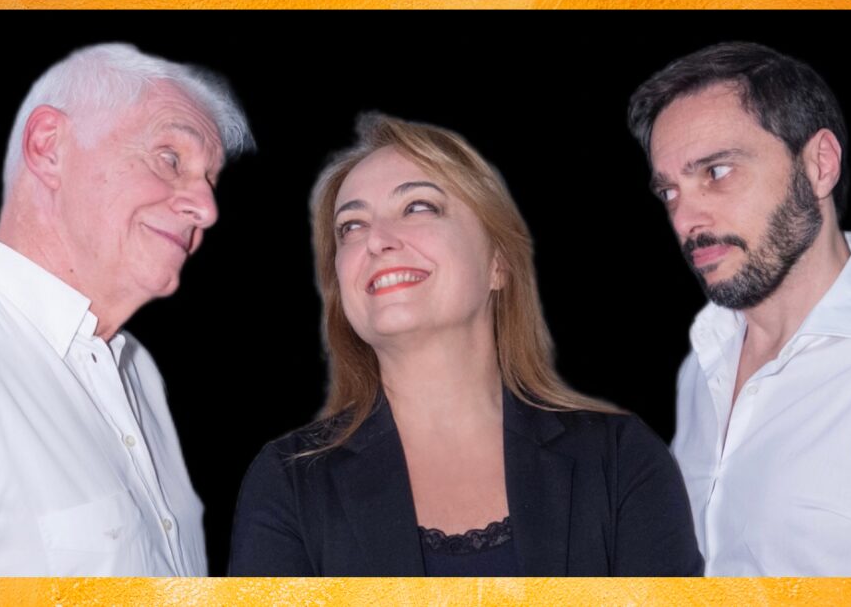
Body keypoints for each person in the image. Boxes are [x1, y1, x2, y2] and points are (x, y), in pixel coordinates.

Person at [228, 114, 702, 576]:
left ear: (497, 263)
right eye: (351, 227)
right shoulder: (287, 484)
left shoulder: (620, 461)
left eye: (418, 207)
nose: (376, 241)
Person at [626, 41, 851, 576]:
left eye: (717, 172)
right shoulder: (702, 367)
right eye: (670, 192)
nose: (685, 220)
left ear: (820, 164)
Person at [0, 43, 254, 576]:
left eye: (210, 180)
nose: (208, 210)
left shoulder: (138, 371)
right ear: (49, 147)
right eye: (170, 159)